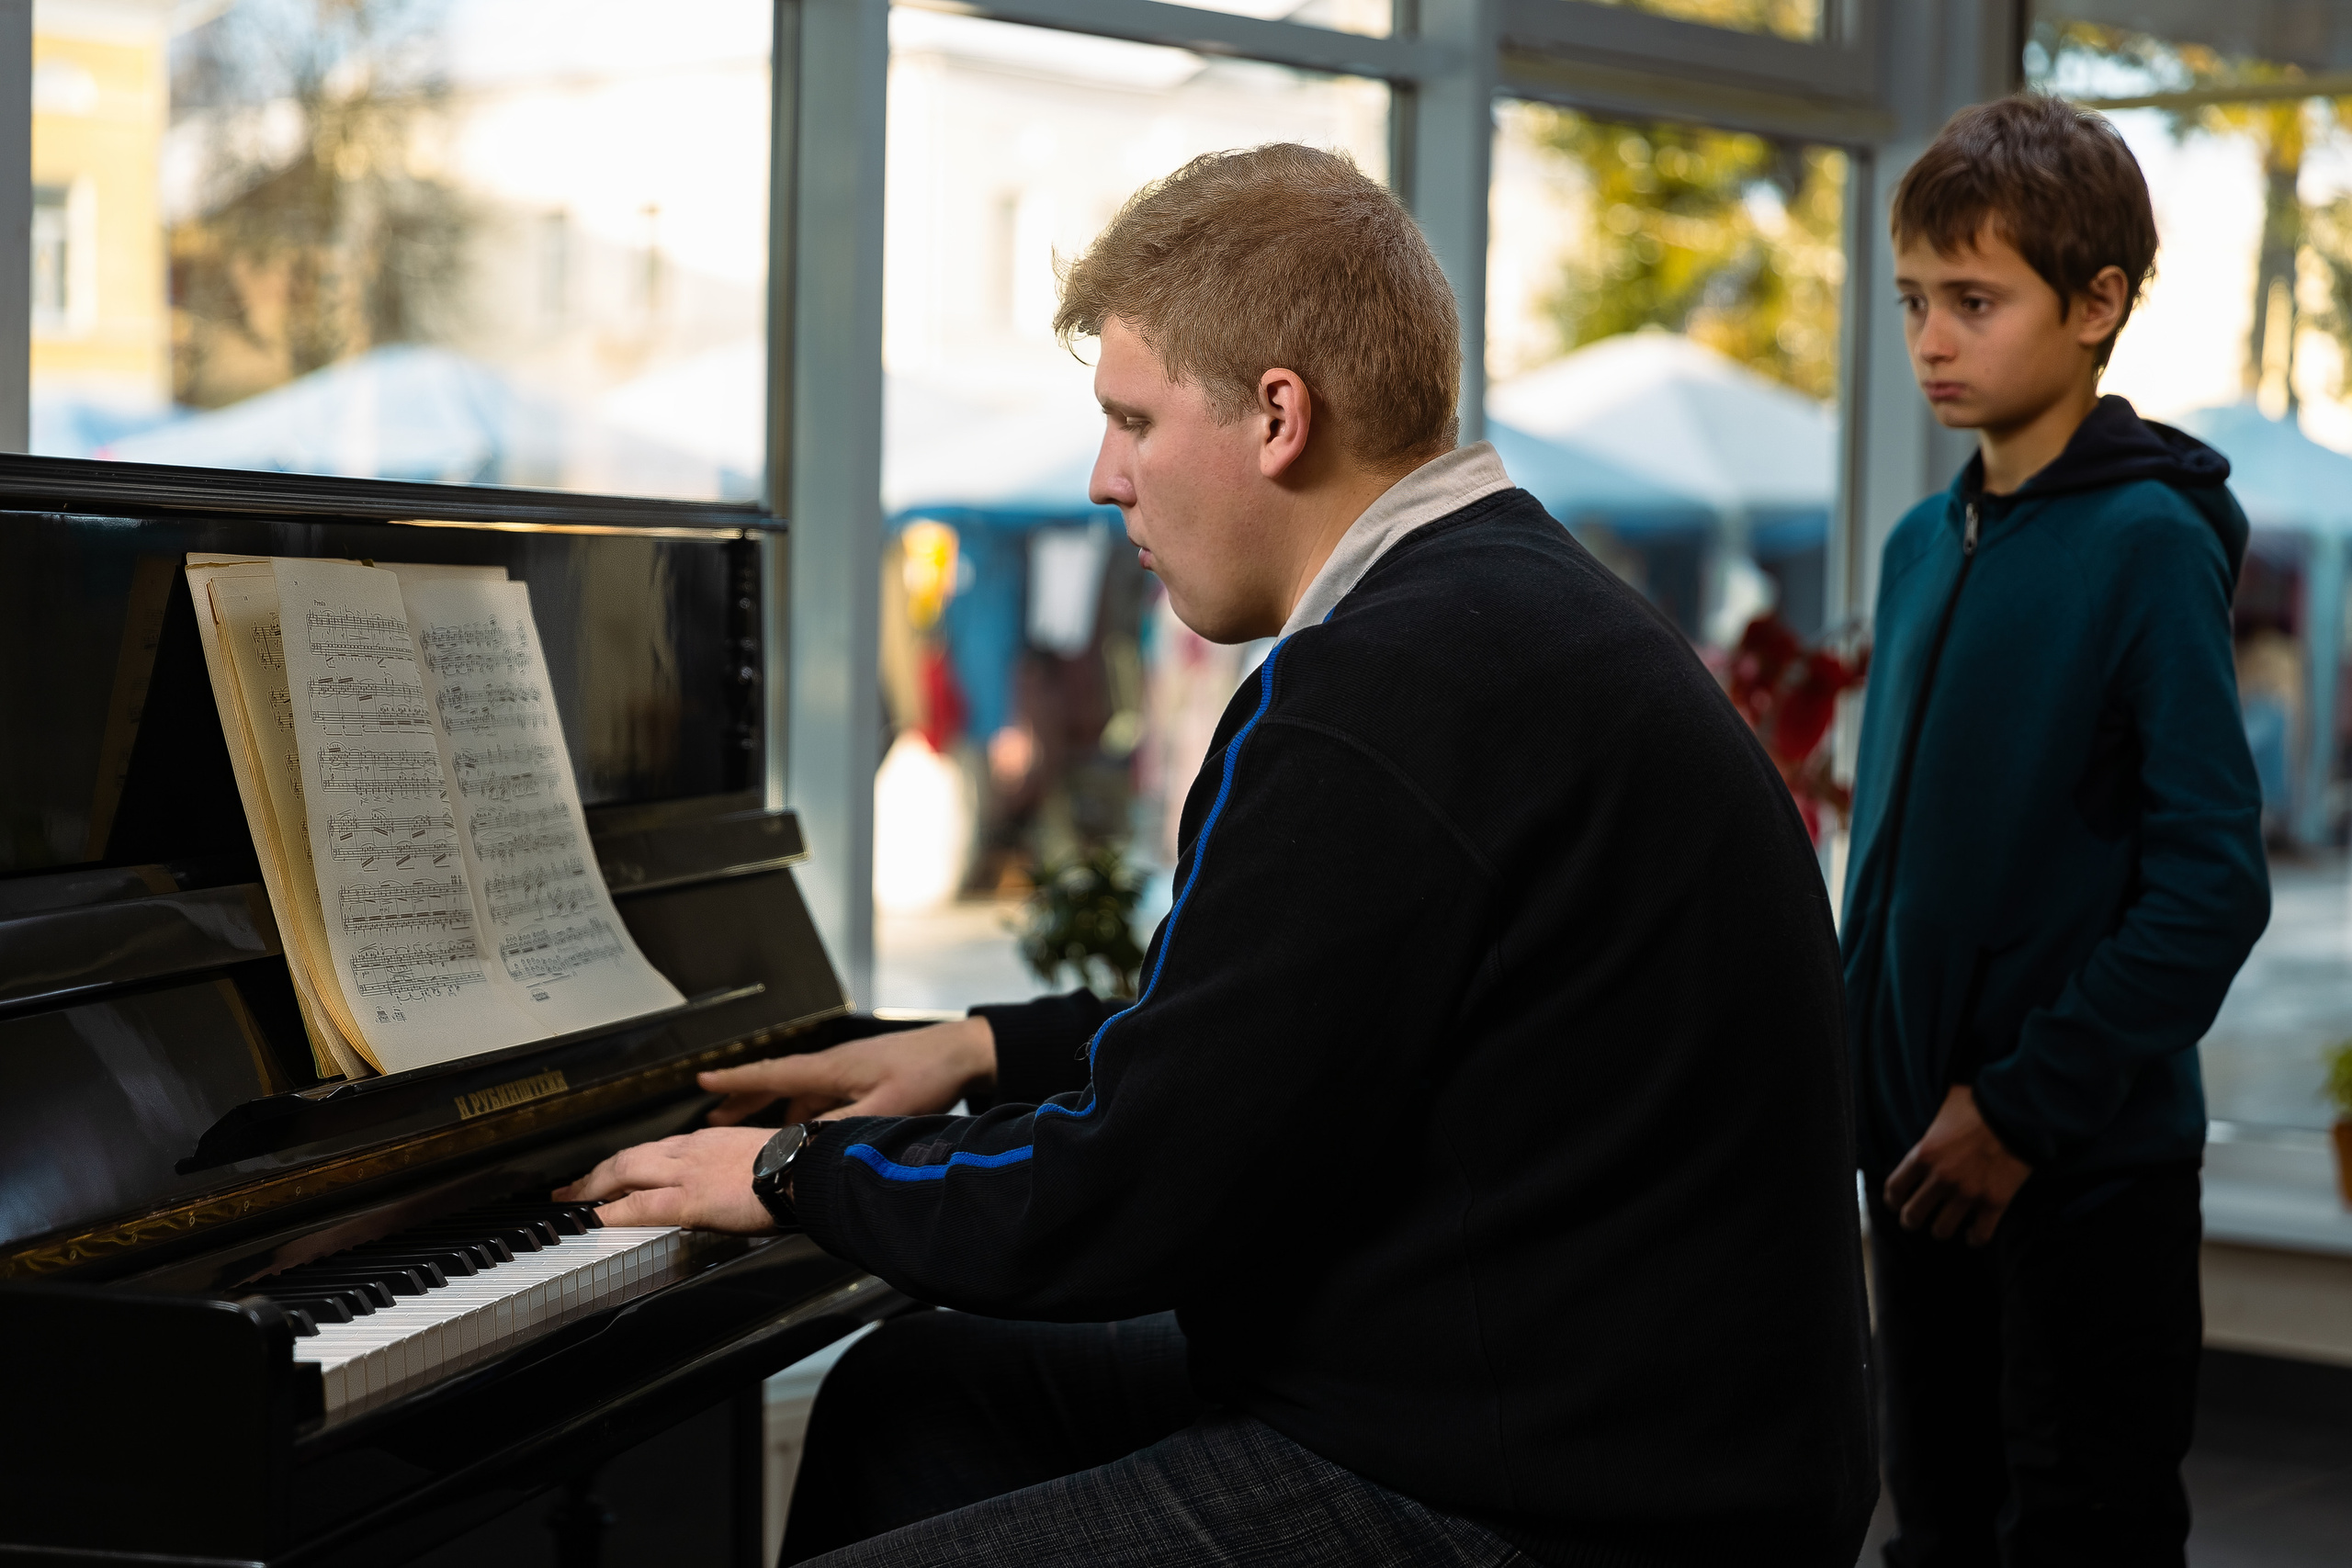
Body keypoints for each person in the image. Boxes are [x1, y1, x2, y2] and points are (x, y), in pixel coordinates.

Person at [561, 143, 1873, 1567]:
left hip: (1552, 1494)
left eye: (1132, 419)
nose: (1103, 478)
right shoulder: (1506, 609)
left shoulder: (1377, 694)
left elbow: (1135, 1198)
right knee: (916, 1393)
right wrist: (987, 1051)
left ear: (1277, 418)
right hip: (1621, 1412)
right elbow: (1298, 1028)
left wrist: (791, 1175)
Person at [1845, 95, 2272, 1567]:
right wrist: (1859, 1100)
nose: (1931, 341)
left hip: (2079, 1173)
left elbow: (2209, 887)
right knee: (1939, 1527)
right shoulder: (1917, 547)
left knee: (2083, 1537)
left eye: (1975, 300)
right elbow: (1887, 879)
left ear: (2098, 306)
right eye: (1914, 301)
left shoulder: (2148, 546)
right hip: (1915, 1172)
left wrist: (2022, 1111)